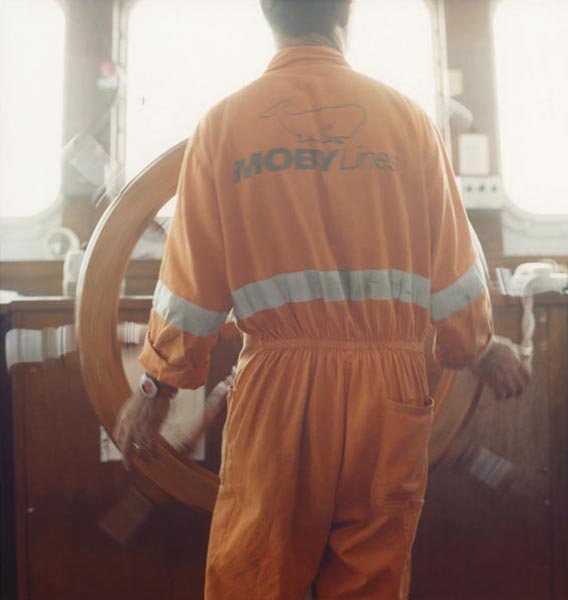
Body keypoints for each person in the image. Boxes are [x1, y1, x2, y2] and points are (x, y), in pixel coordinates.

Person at [115, 1, 530, 597]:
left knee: (256, 579)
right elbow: (455, 274)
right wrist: (478, 348)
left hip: (277, 394)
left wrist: (156, 390)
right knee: (371, 581)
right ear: (347, 11)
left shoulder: (223, 126)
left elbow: (189, 288)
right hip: (389, 394)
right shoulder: (408, 122)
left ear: (267, 12)